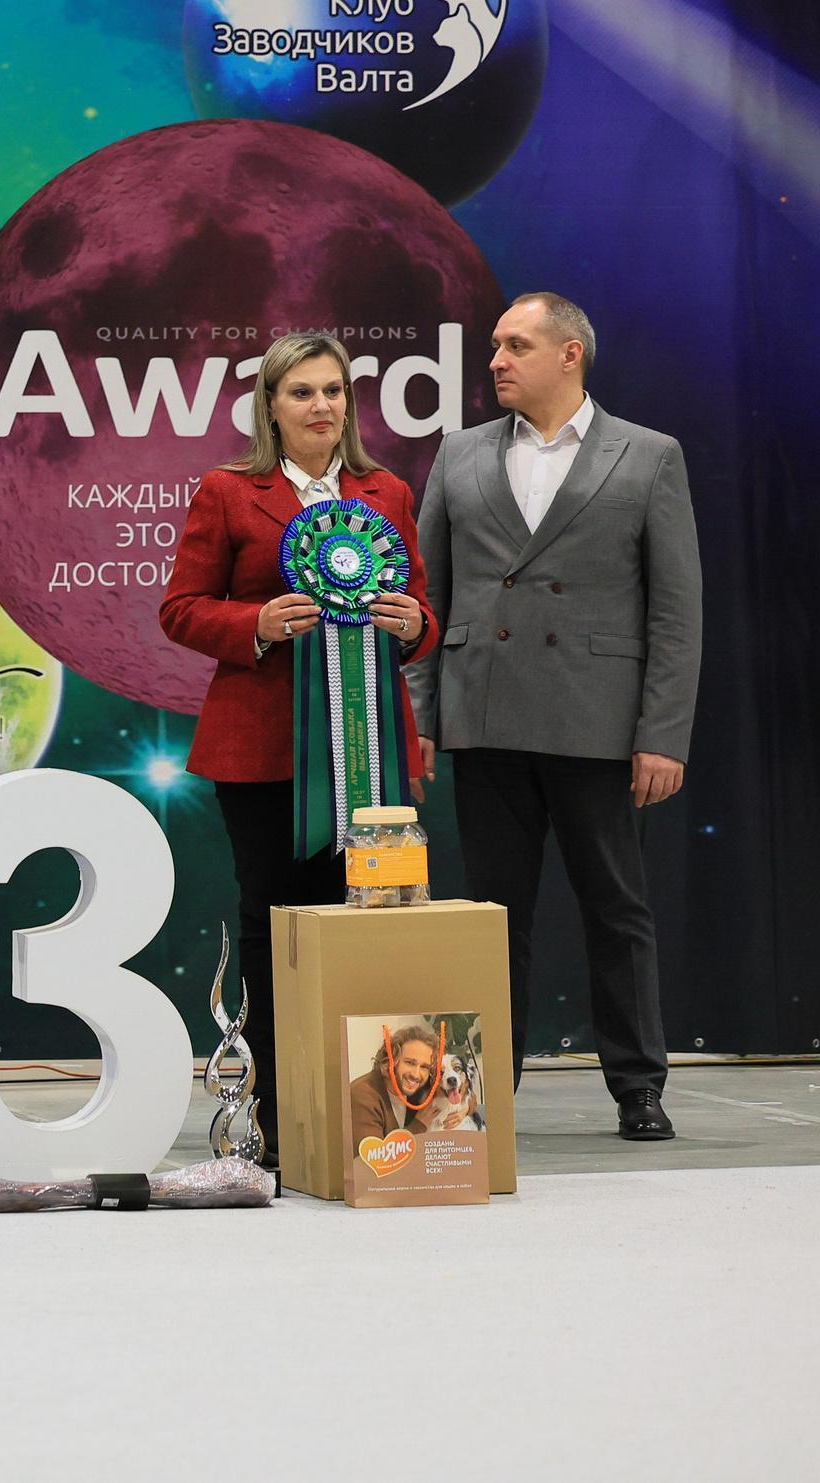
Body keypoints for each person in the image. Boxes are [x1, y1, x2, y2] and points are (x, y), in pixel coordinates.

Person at [405, 293, 701, 1142]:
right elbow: (427, 598)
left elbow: (677, 610)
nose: (494, 359)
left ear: (570, 354)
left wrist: (662, 732)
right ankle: (483, 1090)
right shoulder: (457, 454)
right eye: (495, 344)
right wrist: (422, 716)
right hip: (484, 714)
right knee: (495, 915)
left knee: (617, 907)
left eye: (515, 344)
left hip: (597, 721)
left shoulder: (648, 456)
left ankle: (638, 1086)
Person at [159, 332, 435, 1166]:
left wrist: (416, 624)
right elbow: (180, 608)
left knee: (380, 930)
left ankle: (384, 1121)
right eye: (303, 392)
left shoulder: (386, 491)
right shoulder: (229, 492)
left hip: (376, 758)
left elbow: (420, 606)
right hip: (262, 758)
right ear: (270, 407)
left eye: (333, 391)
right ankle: (280, 1120)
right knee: (274, 931)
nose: (322, 406)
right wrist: (256, 623)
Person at [348, 1022, 440, 1149]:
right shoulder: (362, 1095)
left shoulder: (420, 1086)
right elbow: (372, 1159)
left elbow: (468, 1094)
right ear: (391, 1060)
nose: (416, 1074)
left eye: (424, 1066)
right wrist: (418, 1126)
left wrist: (465, 1110)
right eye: (410, 1063)